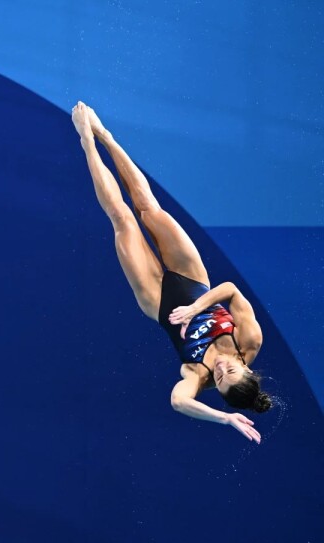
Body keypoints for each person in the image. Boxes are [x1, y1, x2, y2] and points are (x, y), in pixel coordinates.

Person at [71, 101, 270, 443]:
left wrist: (224, 419)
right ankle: (105, 135)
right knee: (148, 207)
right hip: (194, 282)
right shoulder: (250, 339)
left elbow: (179, 401)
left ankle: (87, 141)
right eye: (231, 370)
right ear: (247, 367)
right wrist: (194, 308)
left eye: (220, 380)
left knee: (122, 218)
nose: (221, 369)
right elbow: (232, 290)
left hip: (158, 302)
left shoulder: (197, 374)